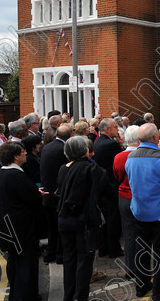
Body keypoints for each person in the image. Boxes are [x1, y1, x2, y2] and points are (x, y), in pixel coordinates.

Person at [125, 123, 160, 300]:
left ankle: (141, 286)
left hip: (139, 210)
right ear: (156, 138)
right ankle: (159, 290)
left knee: (142, 250)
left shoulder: (131, 156)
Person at [0, 142, 42, 300]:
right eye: (22, 151)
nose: (25, 153)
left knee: (14, 263)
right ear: (15, 156)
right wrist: (37, 193)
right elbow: (32, 198)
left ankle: (17, 295)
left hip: (6, 228)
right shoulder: (16, 175)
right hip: (21, 229)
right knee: (25, 265)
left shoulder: (2, 173)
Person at [57, 136, 107, 301]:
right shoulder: (92, 169)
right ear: (84, 151)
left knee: (69, 261)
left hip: (64, 219)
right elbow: (105, 188)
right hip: (83, 222)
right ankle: (80, 297)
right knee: (84, 263)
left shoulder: (63, 168)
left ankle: (68, 296)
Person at [40, 123, 72, 264]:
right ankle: (59, 255)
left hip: (47, 193)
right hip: (57, 195)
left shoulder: (46, 147)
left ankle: (50, 254)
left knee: (52, 229)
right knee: (59, 230)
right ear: (69, 136)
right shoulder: (64, 149)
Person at [93, 118, 124, 258]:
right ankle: (114, 248)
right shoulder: (112, 144)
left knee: (105, 219)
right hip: (111, 185)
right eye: (114, 127)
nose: (117, 129)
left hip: (101, 186)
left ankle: (104, 247)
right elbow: (120, 161)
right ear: (107, 129)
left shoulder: (98, 142)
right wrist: (121, 144)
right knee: (113, 220)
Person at [112, 125, 140, 279]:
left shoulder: (119, 157)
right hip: (138, 197)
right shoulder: (143, 156)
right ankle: (140, 268)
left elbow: (117, 175)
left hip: (123, 196)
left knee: (129, 235)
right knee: (142, 235)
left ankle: (129, 269)